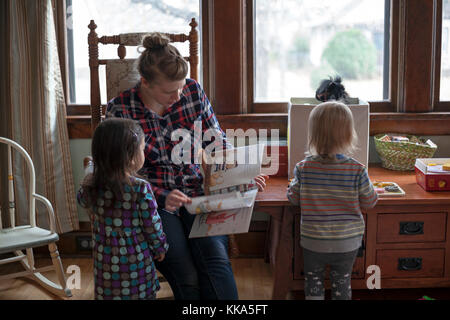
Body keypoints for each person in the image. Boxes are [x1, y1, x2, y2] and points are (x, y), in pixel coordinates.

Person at [106, 32, 267, 300]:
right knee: (186, 274)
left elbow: (216, 144)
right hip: (152, 202)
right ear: (144, 82)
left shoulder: (192, 91)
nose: (178, 95)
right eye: (169, 91)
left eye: (180, 87)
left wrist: (242, 174)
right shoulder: (120, 110)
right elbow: (115, 174)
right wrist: (161, 196)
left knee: (215, 261)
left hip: (198, 193)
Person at [287, 101, 378, 300]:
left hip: (313, 241)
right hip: (347, 242)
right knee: (342, 282)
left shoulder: (303, 168)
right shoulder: (357, 169)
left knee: (313, 280)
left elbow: (293, 199)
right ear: (348, 135)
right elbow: (370, 202)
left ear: (313, 135)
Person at [77, 118, 168, 300]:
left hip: (105, 265)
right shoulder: (140, 188)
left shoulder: (90, 187)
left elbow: (82, 200)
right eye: (142, 148)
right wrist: (160, 247)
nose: (144, 152)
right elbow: (152, 225)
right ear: (130, 155)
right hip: (137, 263)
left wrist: (91, 169)